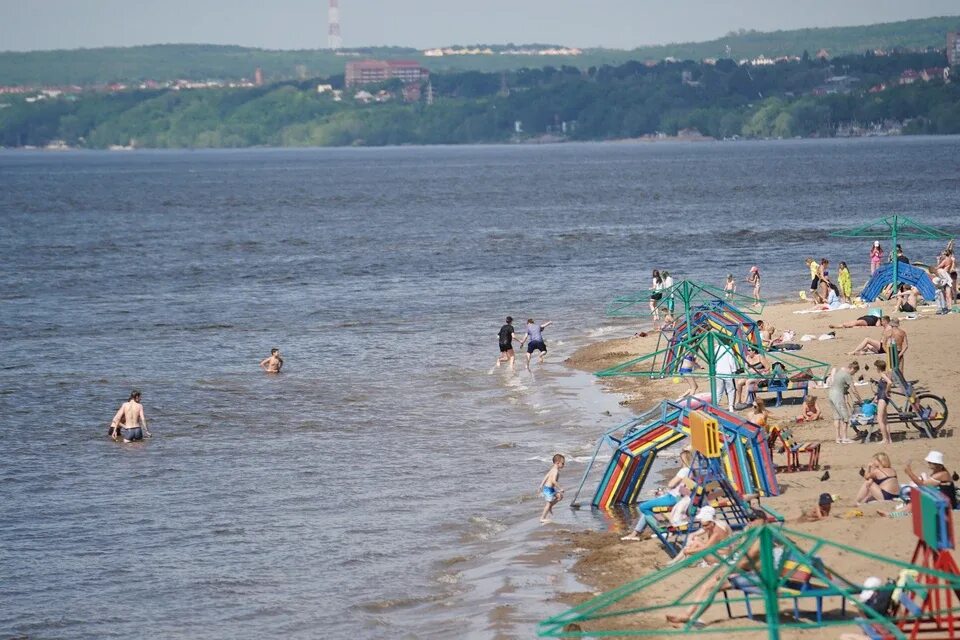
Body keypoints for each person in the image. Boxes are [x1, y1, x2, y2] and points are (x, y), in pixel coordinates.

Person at [665, 509, 769, 627]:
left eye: (754, 519)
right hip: (748, 572)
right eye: (749, 519)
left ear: (764, 521)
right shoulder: (753, 534)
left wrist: (730, 571)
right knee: (707, 586)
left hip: (758, 575)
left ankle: (690, 616)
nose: (751, 522)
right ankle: (688, 615)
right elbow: (745, 557)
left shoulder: (762, 537)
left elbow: (749, 559)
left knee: (711, 587)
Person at [621, 480, 693, 541]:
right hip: (673, 497)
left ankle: (662, 529)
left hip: (672, 498)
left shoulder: (685, 471)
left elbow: (671, 484)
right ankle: (635, 533)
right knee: (648, 510)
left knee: (643, 507)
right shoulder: (690, 473)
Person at [667, 505, 732, 566]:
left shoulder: (717, 532)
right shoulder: (713, 524)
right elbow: (693, 534)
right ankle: (677, 561)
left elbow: (706, 547)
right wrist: (688, 544)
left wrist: (688, 550)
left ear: (711, 522)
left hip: (721, 557)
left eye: (705, 525)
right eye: (703, 525)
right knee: (695, 539)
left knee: (695, 543)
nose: (704, 527)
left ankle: (679, 562)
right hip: (716, 553)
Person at [829, 360, 862, 444]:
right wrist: (860, 400)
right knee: (845, 416)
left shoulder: (840, 371)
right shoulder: (847, 375)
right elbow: (854, 390)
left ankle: (838, 438)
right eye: (854, 372)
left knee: (836, 417)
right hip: (838, 395)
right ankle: (845, 438)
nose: (854, 374)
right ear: (853, 369)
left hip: (831, 394)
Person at [872, 359, 895, 444]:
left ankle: (885, 439)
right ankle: (889, 439)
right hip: (884, 397)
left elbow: (889, 383)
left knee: (880, 419)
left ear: (878, 367)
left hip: (882, 397)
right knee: (885, 419)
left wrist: (886, 391)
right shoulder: (888, 373)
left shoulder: (882, 374)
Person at [539, 454, 565, 523]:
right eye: (563, 463)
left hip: (551, 489)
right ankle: (542, 518)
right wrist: (560, 488)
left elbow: (547, 475)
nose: (563, 465)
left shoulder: (553, 469)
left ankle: (551, 506)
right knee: (548, 503)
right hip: (548, 489)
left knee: (560, 496)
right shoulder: (555, 471)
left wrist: (541, 484)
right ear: (557, 462)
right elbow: (554, 481)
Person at [714, 343, 738, 412]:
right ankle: (731, 407)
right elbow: (731, 360)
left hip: (718, 371)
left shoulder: (716, 348)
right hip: (727, 371)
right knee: (731, 390)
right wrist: (734, 370)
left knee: (719, 390)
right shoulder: (728, 348)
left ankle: (716, 405)